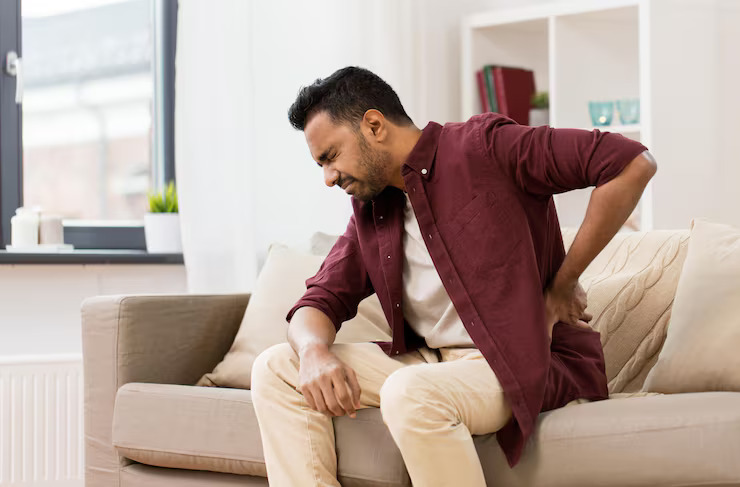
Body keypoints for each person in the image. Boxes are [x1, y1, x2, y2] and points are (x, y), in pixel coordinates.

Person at [251, 66, 656, 487]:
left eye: (331, 156)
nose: (328, 178)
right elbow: (318, 301)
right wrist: (313, 352)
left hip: (522, 358)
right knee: (277, 367)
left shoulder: (487, 147)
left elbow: (631, 163)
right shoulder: (373, 211)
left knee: (410, 392)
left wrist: (564, 283)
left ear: (374, 125)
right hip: (434, 364)